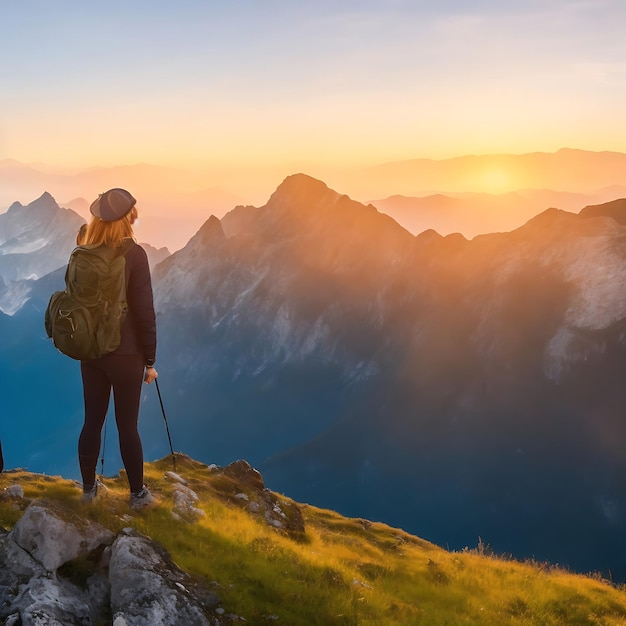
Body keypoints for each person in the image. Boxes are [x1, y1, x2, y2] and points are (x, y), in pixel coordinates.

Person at [78, 188, 158, 509]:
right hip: (127, 356)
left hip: (92, 354)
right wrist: (150, 361)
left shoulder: (84, 250)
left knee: (92, 421)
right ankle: (138, 495)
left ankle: (88, 491)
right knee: (127, 426)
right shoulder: (134, 255)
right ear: (126, 220)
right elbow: (144, 312)